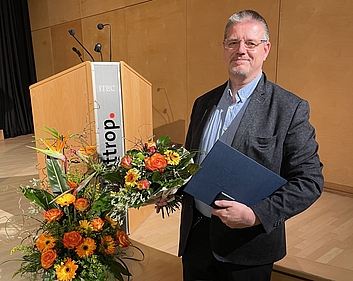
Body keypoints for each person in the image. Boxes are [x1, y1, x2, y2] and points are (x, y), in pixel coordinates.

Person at [157, 9, 323, 281]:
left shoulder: (289, 108)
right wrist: (173, 189)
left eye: (251, 43)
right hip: (196, 238)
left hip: (248, 247)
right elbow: (192, 165)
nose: (241, 50)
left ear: (266, 49)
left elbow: (310, 181)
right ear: (224, 48)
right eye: (233, 42)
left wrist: (257, 215)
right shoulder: (203, 103)